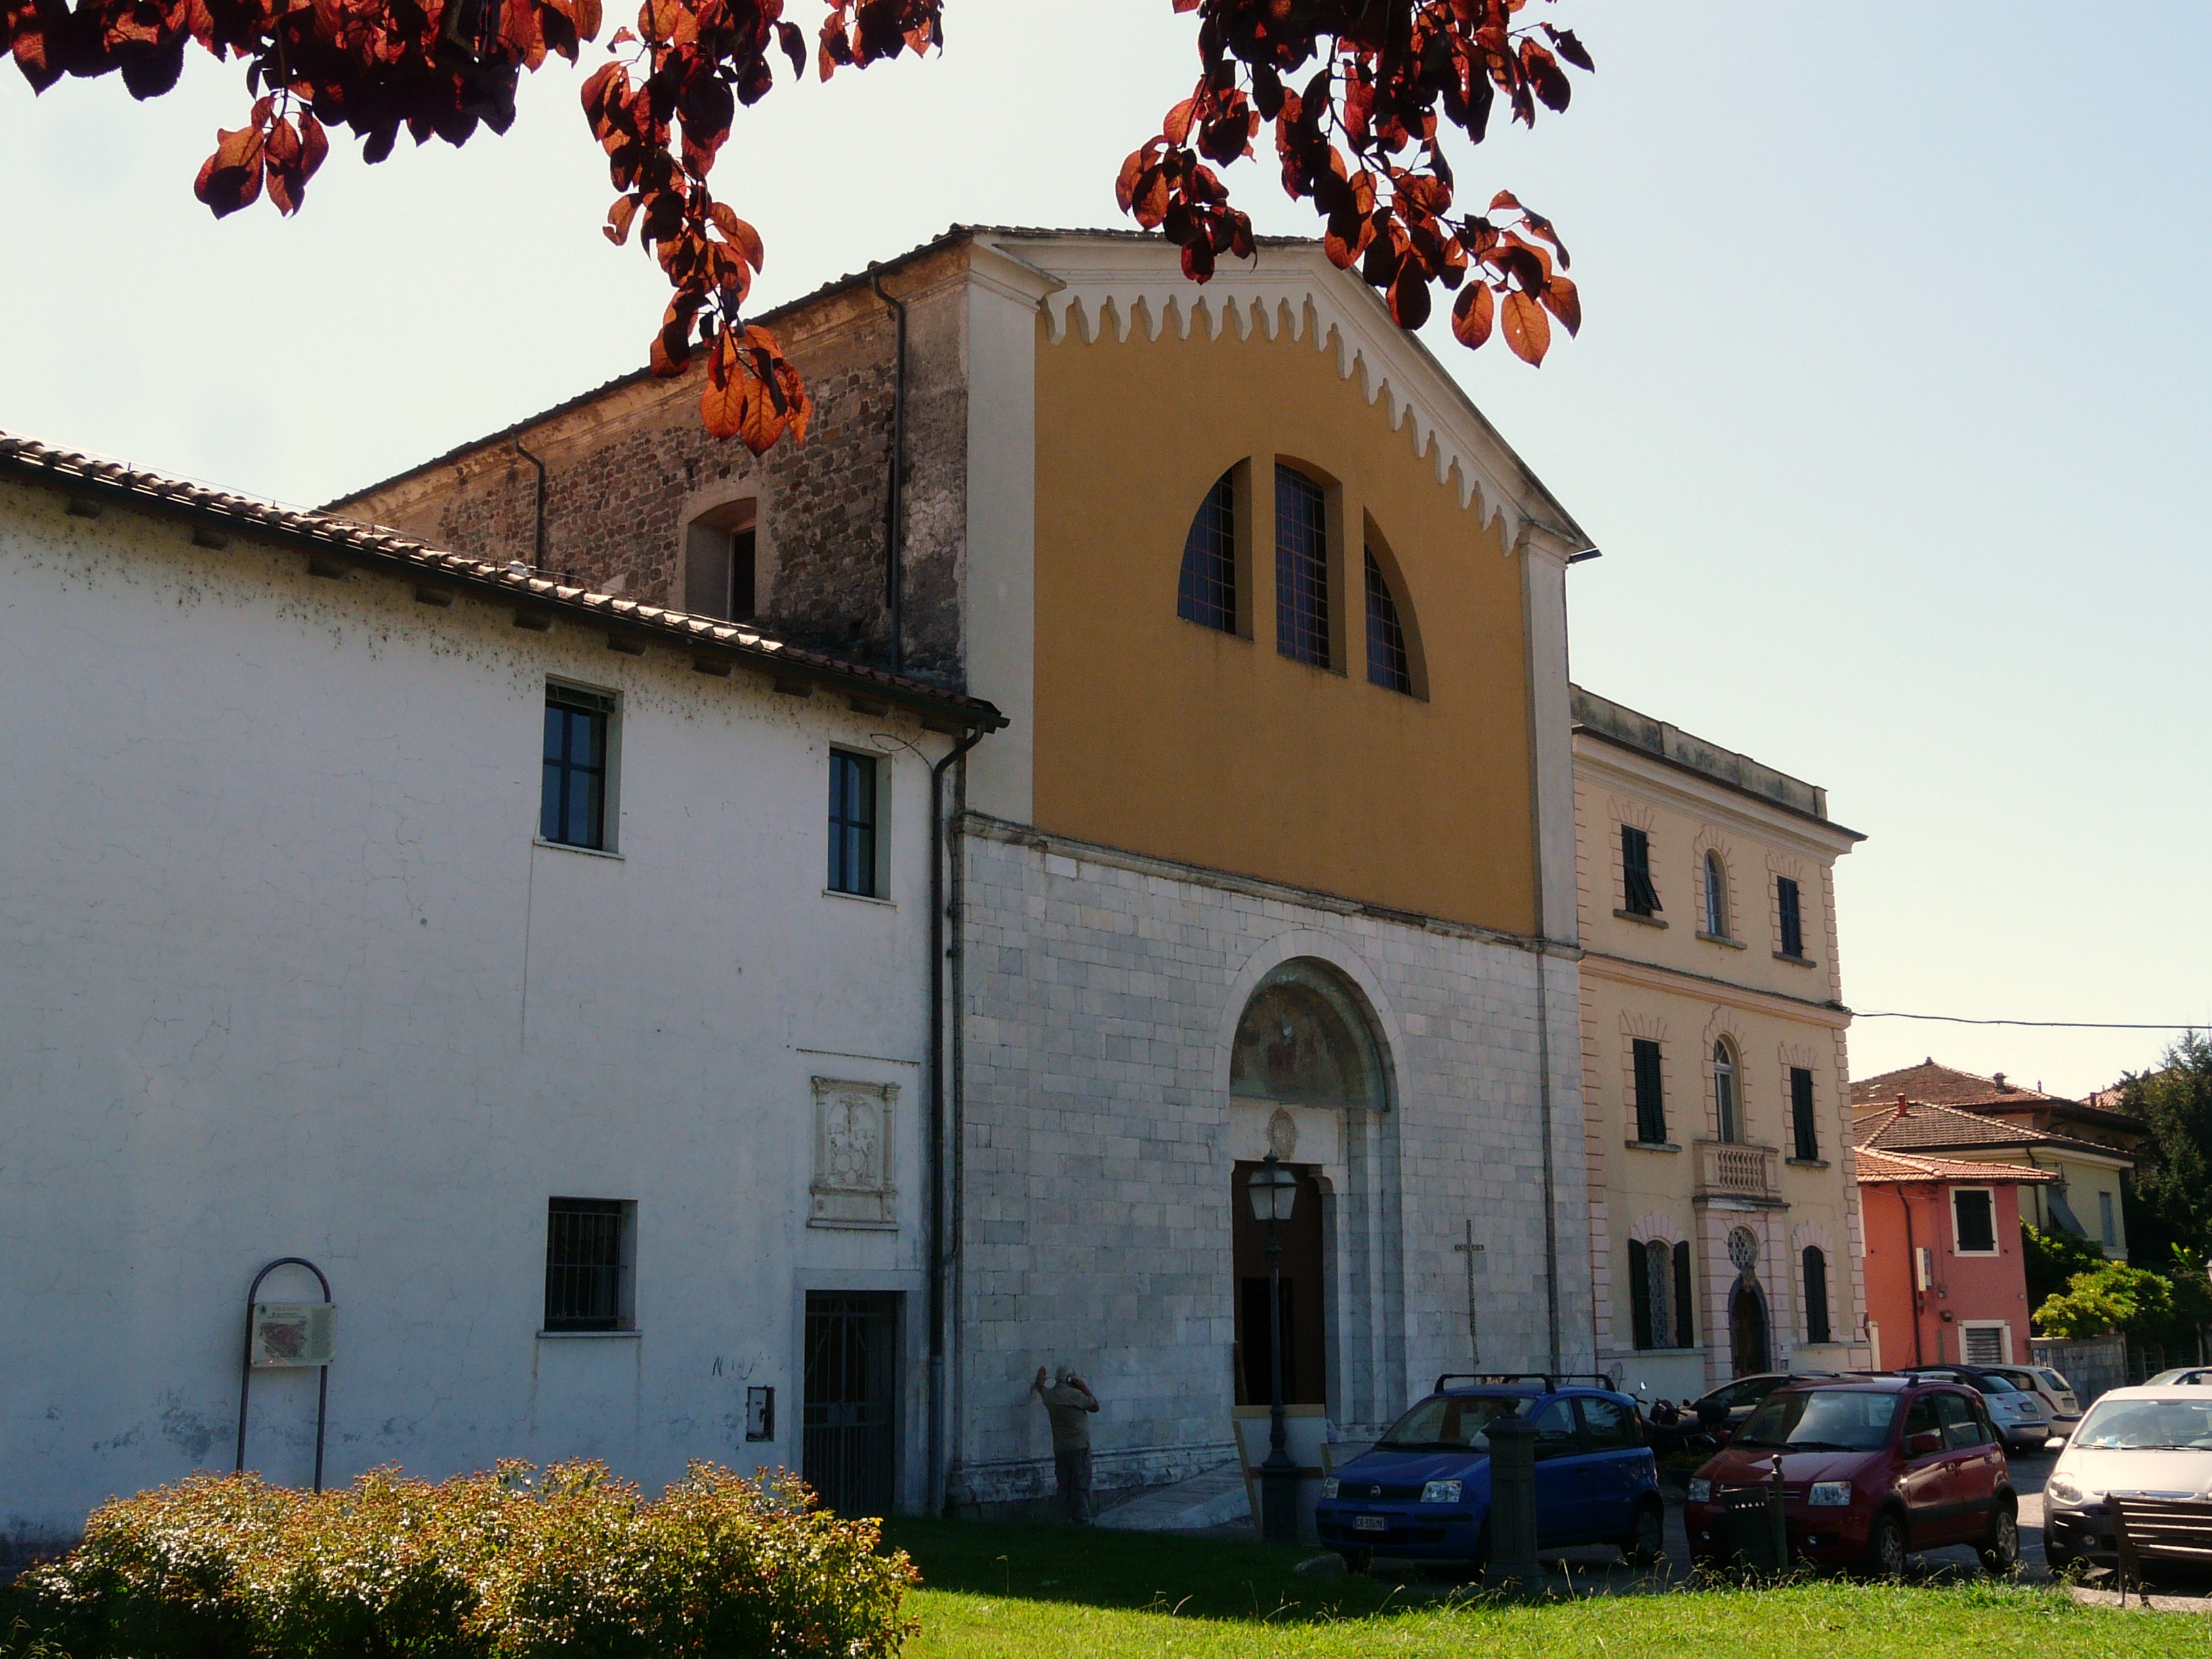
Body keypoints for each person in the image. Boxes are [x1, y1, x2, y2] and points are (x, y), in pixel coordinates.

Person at [1032, 1364, 1101, 1523]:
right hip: (1079, 1447)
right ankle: (1082, 1520)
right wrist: (1083, 1387)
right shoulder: (1076, 1395)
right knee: (1080, 1485)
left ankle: (1062, 1520)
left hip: (1061, 1448)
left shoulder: (1051, 1396)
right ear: (1071, 1379)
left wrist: (1041, 1376)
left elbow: (1040, 1387)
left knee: (1063, 1485)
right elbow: (1095, 1406)